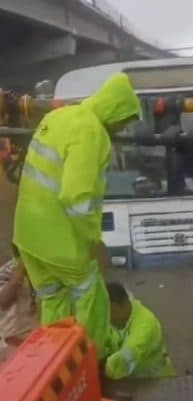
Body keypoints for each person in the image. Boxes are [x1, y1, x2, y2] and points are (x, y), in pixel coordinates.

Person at [13, 73, 141, 359]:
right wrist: (94, 243)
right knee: (91, 299)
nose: (123, 128)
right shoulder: (91, 131)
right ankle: (89, 365)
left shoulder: (61, 117)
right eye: (125, 120)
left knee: (53, 302)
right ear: (115, 110)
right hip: (61, 241)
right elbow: (78, 199)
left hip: (30, 238)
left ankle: (55, 365)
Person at [103, 282, 175, 380]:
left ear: (124, 303)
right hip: (133, 379)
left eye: (112, 312)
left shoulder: (146, 324)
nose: (109, 319)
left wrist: (105, 368)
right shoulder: (114, 321)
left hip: (157, 380)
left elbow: (129, 353)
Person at [0, 246, 37, 364]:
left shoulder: (47, 266)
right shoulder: (10, 269)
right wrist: (21, 269)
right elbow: (3, 301)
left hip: (42, 337)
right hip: (15, 340)